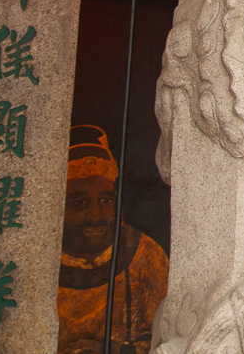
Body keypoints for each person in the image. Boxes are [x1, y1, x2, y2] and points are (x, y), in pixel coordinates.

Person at [57, 125, 169, 354]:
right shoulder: (35, 259)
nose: (95, 217)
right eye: (80, 203)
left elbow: (167, 339)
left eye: (106, 201)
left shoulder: (146, 256)